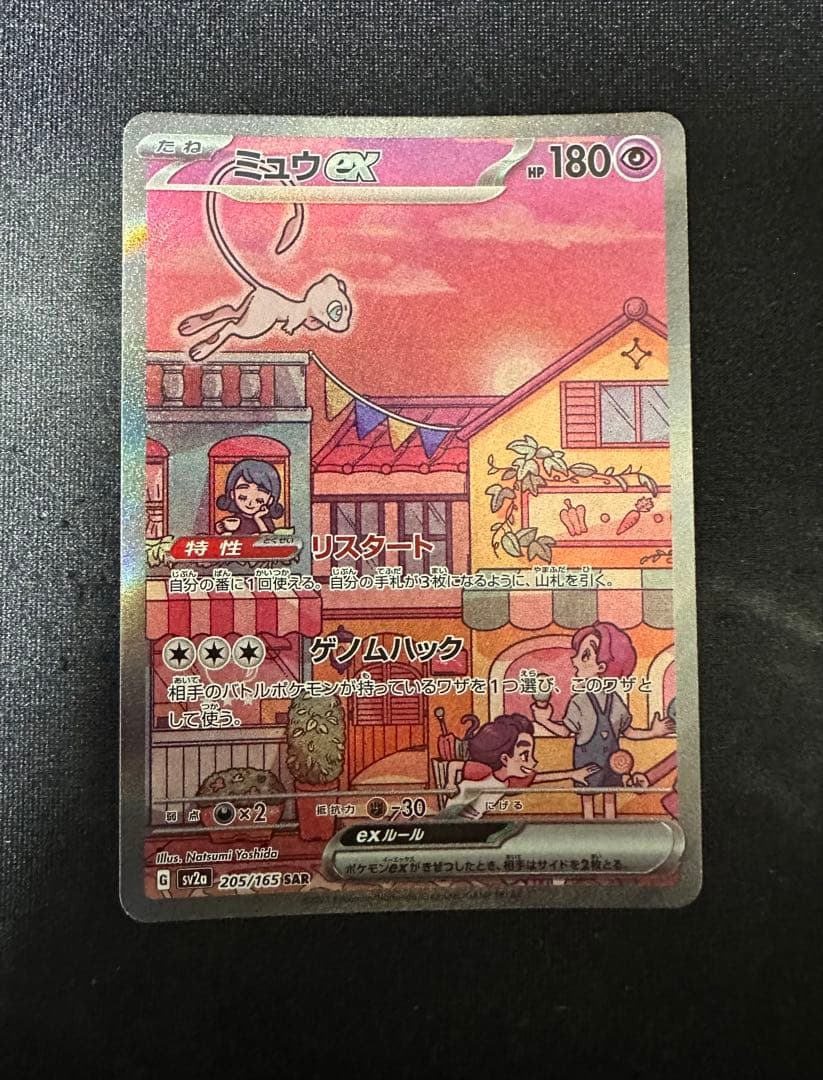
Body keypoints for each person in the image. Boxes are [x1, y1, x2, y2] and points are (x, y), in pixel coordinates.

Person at [530, 622, 675, 819]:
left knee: (609, 798)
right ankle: (590, 827)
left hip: (612, 762)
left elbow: (627, 731)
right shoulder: (580, 701)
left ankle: (611, 828)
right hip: (586, 761)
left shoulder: (610, 701)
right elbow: (567, 731)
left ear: (601, 667)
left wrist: (653, 732)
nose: (574, 659)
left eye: (585, 655)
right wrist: (543, 721)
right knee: (588, 799)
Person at [440, 713, 597, 820]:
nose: (533, 762)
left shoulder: (507, 783)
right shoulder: (483, 771)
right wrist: (450, 784)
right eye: (524, 755)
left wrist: (572, 774)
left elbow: (539, 778)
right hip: (449, 819)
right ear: (505, 758)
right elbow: (454, 765)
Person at [215, 458, 284, 535]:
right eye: (242, 498)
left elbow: (267, 538)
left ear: (270, 500)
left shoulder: (265, 521)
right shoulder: (236, 520)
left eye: (259, 500)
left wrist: (257, 518)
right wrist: (221, 528)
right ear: (232, 494)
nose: (250, 503)